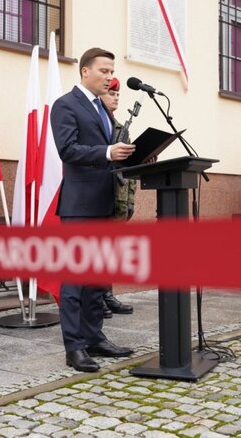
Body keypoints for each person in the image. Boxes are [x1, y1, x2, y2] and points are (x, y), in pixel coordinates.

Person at [50, 48, 136, 373]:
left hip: (104, 203)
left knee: (97, 280)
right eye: (104, 70)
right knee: (75, 280)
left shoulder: (103, 108)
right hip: (79, 207)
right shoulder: (66, 105)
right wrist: (108, 152)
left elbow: (109, 153)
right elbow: (67, 149)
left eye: (112, 71)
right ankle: (74, 347)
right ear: (85, 71)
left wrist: (138, 156)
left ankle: (94, 337)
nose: (109, 77)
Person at [98, 77, 135, 318]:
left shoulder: (122, 129)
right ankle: (96, 297)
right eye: (111, 93)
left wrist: (129, 200)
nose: (116, 97)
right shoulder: (95, 125)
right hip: (100, 197)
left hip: (118, 199)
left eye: (118, 94)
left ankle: (107, 294)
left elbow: (129, 169)